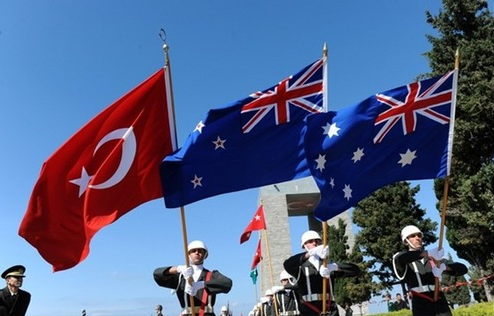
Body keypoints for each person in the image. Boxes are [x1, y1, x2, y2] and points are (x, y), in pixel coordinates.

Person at [393, 225, 468, 316]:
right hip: (421, 306)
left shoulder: (433, 258)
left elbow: (463, 269)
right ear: (406, 241)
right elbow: (400, 258)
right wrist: (427, 253)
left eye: (419, 235)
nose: (417, 238)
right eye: (413, 236)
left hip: (440, 304)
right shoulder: (403, 258)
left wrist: (444, 267)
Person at [283, 230, 360, 316]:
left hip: (329, 308)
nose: (315, 243)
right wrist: (310, 253)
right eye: (310, 241)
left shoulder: (327, 263)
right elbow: (287, 264)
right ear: (304, 246)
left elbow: (355, 270)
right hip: (309, 308)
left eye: (317, 241)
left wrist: (335, 267)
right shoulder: (300, 266)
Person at [153, 240, 233, 316]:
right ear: (188, 255)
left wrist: (201, 284)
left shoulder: (212, 275)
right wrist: (178, 269)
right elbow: (157, 275)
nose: (197, 252)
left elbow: (227, 283)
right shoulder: (180, 277)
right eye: (193, 251)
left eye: (200, 251)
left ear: (205, 254)